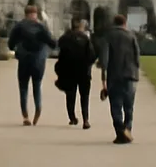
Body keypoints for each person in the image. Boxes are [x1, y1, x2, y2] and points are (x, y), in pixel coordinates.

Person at [7, 4, 57, 126]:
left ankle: (25, 116)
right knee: (37, 86)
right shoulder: (41, 27)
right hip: (38, 61)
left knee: (23, 88)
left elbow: (11, 43)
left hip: (24, 59)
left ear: (25, 14)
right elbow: (52, 43)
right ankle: (38, 107)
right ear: (35, 14)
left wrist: (15, 48)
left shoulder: (19, 26)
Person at [99, 12, 140, 143]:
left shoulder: (108, 36)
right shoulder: (131, 36)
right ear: (125, 23)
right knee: (129, 105)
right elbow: (137, 56)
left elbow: (104, 59)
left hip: (114, 75)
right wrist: (135, 69)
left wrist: (103, 78)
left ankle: (120, 131)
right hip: (130, 74)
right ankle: (127, 129)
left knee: (116, 105)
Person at [55, 17, 97, 128]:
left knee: (70, 95)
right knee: (84, 96)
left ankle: (72, 117)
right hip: (83, 72)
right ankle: (85, 119)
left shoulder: (64, 38)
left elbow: (60, 55)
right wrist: (88, 65)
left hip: (69, 71)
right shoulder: (85, 39)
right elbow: (92, 55)